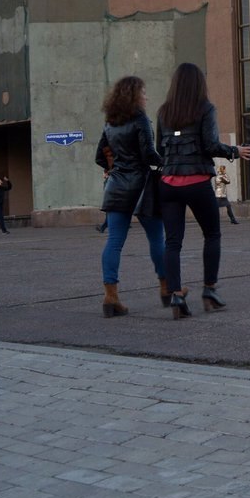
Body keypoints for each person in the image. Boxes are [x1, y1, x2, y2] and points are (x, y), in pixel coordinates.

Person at [157, 63, 250, 318]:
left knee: (172, 242)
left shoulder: (164, 112)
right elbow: (210, 145)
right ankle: (209, 290)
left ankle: (176, 296)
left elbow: (160, 151)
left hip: (168, 184)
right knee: (212, 234)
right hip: (197, 183)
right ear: (200, 83)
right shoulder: (205, 108)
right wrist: (235, 151)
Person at [95, 75, 166, 318]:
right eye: (144, 92)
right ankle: (166, 289)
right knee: (157, 238)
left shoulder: (109, 123)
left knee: (114, 241)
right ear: (135, 95)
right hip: (142, 188)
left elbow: (99, 157)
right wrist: (168, 164)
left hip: (115, 187)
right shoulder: (140, 119)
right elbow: (149, 154)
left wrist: (115, 168)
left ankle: (111, 296)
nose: (146, 96)